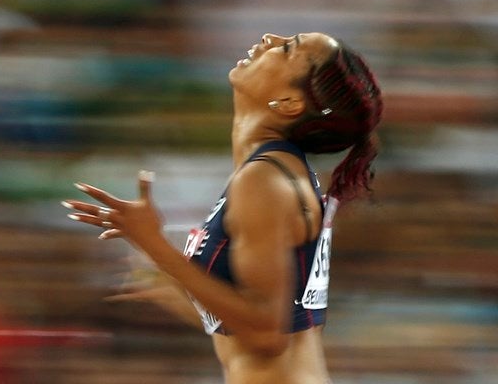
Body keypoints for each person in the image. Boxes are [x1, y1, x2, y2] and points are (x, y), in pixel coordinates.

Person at [64, 33, 383, 384]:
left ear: (289, 102)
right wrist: (165, 280)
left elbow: (267, 337)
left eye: (288, 48)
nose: (269, 39)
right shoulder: (276, 173)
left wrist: (154, 243)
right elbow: (261, 326)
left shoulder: (263, 182)